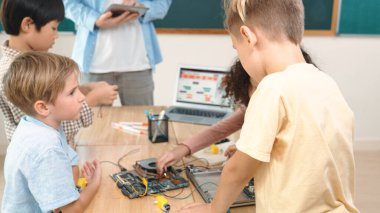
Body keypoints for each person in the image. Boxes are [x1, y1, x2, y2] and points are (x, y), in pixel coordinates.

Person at [178, 0, 358, 212]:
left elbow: (237, 171)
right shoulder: (326, 83)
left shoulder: (272, 87)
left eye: (237, 49)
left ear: (247, 36)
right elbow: (309, 148)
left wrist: (212, 209)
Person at [157, 48, 316, 174]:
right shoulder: (254, 106)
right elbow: (219, 130)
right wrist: (181, 150)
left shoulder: (288, 108)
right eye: (253, 86)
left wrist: (243, 153)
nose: (257, 92)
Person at [0, 0, 118, 145]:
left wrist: (83, 90)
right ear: (28, 24)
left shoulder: (29, 63)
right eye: (54, 28)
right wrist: (92, 99)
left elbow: (49, 99)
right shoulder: (14, 72)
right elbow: (48, 128)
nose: (56, 36)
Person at [1, 52, 101, 212]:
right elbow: (68, 210)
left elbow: (70, 165)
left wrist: (73, 185)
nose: (82, 97)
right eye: (72, 92)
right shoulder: (46, 147)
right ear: (43, 107)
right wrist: (94, 184)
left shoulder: (38, 124)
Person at [63, 0, 172, 105]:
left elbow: (162, 4)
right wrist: (94, 20)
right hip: (94, 65)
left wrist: (142, 6)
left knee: (141, 121)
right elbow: (68, 4)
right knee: (91, 121)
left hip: (138, 64)